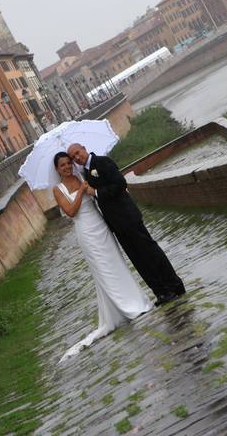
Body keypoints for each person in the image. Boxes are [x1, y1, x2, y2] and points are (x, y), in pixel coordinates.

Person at [52, 151, 153, 361]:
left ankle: (134, 300)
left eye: (69, 163)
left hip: (100, 225)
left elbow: (99, 191)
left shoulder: (82, 175)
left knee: (115, 263)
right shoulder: (58, 189)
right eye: (63, 165)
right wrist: (80, 191)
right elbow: (70, 211)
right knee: (103, 269)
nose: (68, 167)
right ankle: (123, 307)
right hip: (86, 232)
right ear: (57, 169)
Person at [67, 142, 185, 305]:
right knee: (137, 259)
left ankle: (175, 286)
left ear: (84, 149)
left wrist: (96, 192)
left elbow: (120, 184)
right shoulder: (85, 173)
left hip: (128, 217)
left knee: (150, 251)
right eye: (73, 157)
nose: (77, 158)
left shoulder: (102, 162)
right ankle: (160, 292)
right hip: (116, 224)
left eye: (77, 153)